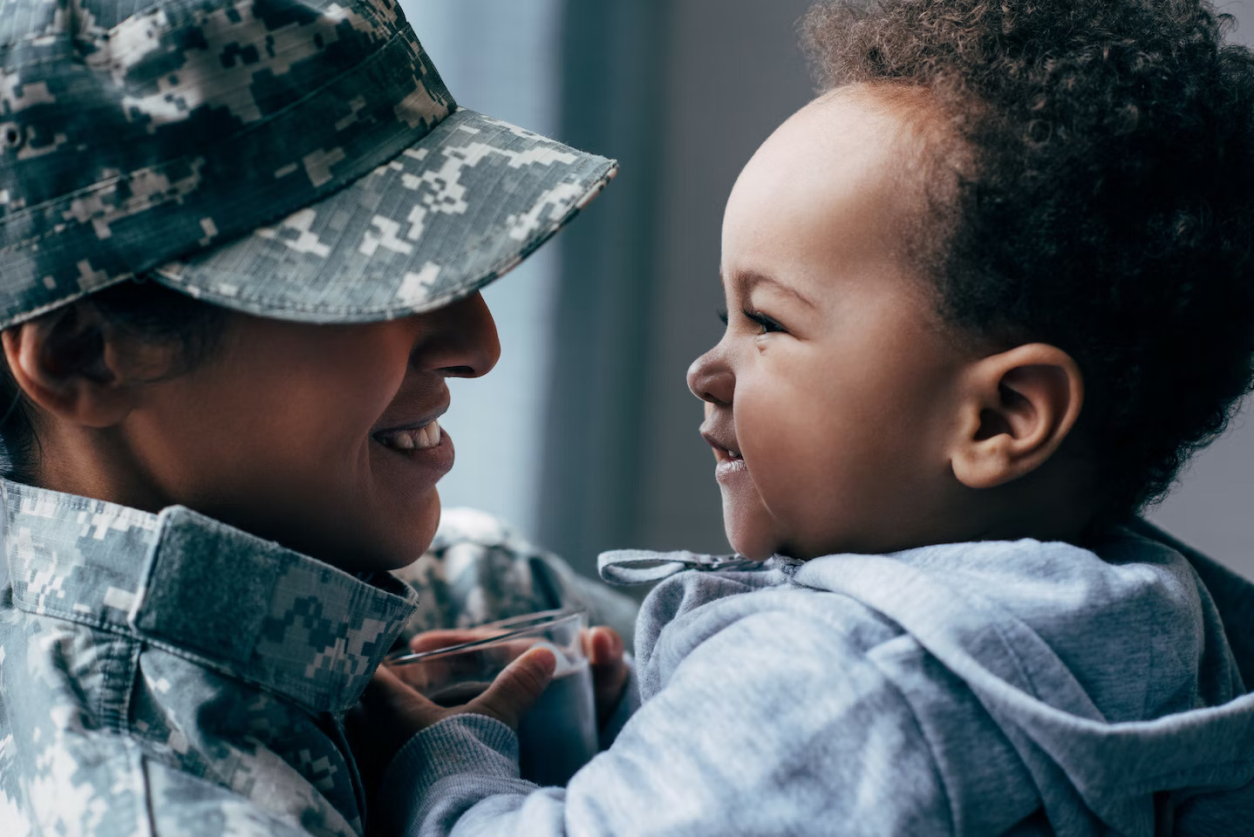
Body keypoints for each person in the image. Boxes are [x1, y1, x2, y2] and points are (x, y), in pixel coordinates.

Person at [358, 0, 1254, 833]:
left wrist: (448, 756)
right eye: (726, 318)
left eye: (768, 322)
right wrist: (651, 722)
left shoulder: (844, 683)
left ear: (999, 419)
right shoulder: (1155, 624)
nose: (705, 369)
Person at [0, 1, 634, 835]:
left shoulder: (476, 598)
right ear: (84, 354)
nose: (480, 344)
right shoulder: (146, 805)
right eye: (380, 271)